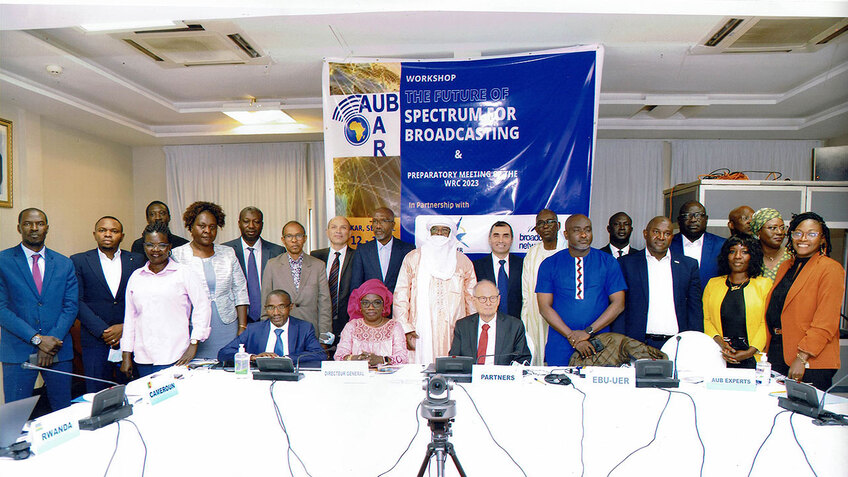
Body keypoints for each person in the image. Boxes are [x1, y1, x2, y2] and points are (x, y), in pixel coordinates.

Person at [0, 208, 78, 411]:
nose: (34, 228)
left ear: (47, 228)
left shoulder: (64, 263)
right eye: (28, 223)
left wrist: (51, 341)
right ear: (19, 228)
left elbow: (71, 306)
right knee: (15, 416)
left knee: (63, 413)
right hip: (18, 351)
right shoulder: (3, 261)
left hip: (58, 349)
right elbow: (1, 309)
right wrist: (37, 339)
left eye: (40, 223)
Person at [765, 212, 845, 391]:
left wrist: (802, 358)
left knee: (803, 409)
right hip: (778, 351)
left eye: (812, 234)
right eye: (798, 233)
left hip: (810, 359)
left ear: (822, 239)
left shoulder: (830, 269)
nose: (803, 239)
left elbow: (826, 322)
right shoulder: (786, 266)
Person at [121, 223, 211, 377]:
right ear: (144, 247)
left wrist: (194, 342)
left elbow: (203, 307)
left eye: (161, 245)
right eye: (150, 245)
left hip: (175, 356)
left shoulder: (184, 273)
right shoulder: (136, 277)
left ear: (169, 247)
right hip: (143, 357)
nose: (155, 250)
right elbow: (130, 318)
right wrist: (126, 355)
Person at [536, 214, 626, 366]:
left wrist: (588, 332)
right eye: (577, 230)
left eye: (588, 230)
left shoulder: (608, 262)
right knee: (559, 381)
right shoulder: (549, 264)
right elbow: (544, 307)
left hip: (599, 343)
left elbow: (619, 304)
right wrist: (572, 337)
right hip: (561, 343)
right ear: (566, 234)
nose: (584, 235)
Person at [71, 216, 144, 392]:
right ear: (95, 234)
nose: (108, 234)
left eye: (114, 231)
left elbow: (144, 300)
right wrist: (104, 331)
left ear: (122, 236)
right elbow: (77, 300)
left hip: (130, 338)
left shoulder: (137, 260)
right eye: (102, 230)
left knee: (132, 392)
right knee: (96, 394)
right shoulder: (79, 260)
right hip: (95, 340)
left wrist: (124, 327)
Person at [171, 201, 249, 359]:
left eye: (212, 227)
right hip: (193, 328)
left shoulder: (228, 253)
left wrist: (242, 326)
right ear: (191, 227)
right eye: (202, 226)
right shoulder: (177, 255)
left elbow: (240, 291)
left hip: (227, 325)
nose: (207, 231)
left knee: (227, 366)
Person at [394, 217, 476, 364]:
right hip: (419, 330)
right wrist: (405, 329)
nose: (439, 234)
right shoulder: (413, 258)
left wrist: (471, 329)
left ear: (451, 234)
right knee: (420, 371)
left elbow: (472, 299)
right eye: (435, 230)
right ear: (429, 233)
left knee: (453, 369)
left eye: (444, 230)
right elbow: (401, 295)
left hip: (455, 329)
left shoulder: (463, 262)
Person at [613, 216, 703, 350]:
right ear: (645, 233)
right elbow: (620, 307)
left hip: (677, 344)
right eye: (656, 232)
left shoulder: (688, 265)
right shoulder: (626, 264)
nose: (661, 237)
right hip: (637, 344)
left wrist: (696, 342)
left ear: (672, 237)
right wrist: (619, 343)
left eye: (667, 233)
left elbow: (694, 309)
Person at [703, 235, 771, 369]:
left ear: (753, 256)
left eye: (744, 252)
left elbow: (766, 323)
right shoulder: (713, 284)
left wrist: (749, 352)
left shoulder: (764, 285)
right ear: (726, 256)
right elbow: (707, 319)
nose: (737, 256)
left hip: (754, 357)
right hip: (719, 354)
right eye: (732, 251)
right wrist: (722, 344)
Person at [261, 221, 331, 339]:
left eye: (298, 236)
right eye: (289, 236)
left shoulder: (318, 265)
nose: (294, 240)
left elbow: (324, 304)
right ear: (283, 240)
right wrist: (266, 333)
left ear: (305, 238)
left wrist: (324, 338)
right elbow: (265, 301)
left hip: (310, 331)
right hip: (280, 330)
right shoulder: (272, 265)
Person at [217, 290, 325, 364]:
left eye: (281, 307)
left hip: (292, 378)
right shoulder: (253, 329)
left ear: (291, 307)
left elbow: (320, 354)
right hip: (260, 379)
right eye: (270, 307)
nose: (276, 312)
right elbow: (224, 353)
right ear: (265, 309)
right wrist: (253, 357)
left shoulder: (304, 328)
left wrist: (287, 359)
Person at [222, 207, 285, 322]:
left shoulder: (277, 251)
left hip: (270, 318)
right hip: (235, 319)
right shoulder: (225, 250)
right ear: (239, 224)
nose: (251, 226)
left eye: (256, 222)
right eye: (246, 221)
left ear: (262, 225)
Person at [520, 209, 565, 365]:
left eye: (550, 222)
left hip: (563, 317)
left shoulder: (568, 251)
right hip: (536, 317)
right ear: (536, 229)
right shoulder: (532, 254)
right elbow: (526, 294)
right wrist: (525, 323)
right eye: (540, 223)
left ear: (558, 225)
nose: (545, 226)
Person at [448, 280, 532, 365]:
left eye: (492, 298)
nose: (488, 303)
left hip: (501, 373)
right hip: (472, 373)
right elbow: (454, 359)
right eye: (483, 298)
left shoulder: (514, 326)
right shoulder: (463, 326)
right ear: (474, 301)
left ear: (498, 300)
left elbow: (523, 359)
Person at [334, 279, 408, 365]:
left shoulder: (394, 326)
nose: (371, 307)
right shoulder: (352, 326)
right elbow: (339, 356)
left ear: (384, 306)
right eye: (365, 303)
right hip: (358, 373)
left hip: (388, 374)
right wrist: (356, 358)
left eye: (377, 303)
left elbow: (403, 357)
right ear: (360, 306)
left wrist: (381, 360)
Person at [311, 216, 356, 345]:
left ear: (350, 233)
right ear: (327, 232)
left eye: (343, 227)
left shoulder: (358, 256)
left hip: (347, 321)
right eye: (334, 227)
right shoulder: (315, 256)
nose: (338, 231)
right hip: (319, 320)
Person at [350, 207, 415, 293]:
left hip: (397, 301)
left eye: (383, 221)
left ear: (393, 225)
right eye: (375, 221)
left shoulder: (407, 250)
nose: (378, 226)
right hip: (371, 301)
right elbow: (356, 287)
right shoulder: (362, 250)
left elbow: (412, 286)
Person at [472, 221, 524, 318]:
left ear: (512, 240)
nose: (501, 240)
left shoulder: (523, 265)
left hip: (516, 324)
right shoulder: (476, 267)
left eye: (505, 236)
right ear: (489, 239)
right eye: (496, 236)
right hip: (486, 323)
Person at [670, 200, 725, 287]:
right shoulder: (668, 245)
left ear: (706, 219)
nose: (693, 220)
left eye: (698, 215)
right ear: (679, 221)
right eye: (687, 216)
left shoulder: (721, 245)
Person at [750, 208, 791, 281]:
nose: (779, 232)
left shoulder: (791, 256)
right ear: (758, 232)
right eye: (772, 228)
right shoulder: (750, 257)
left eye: (782, 228)